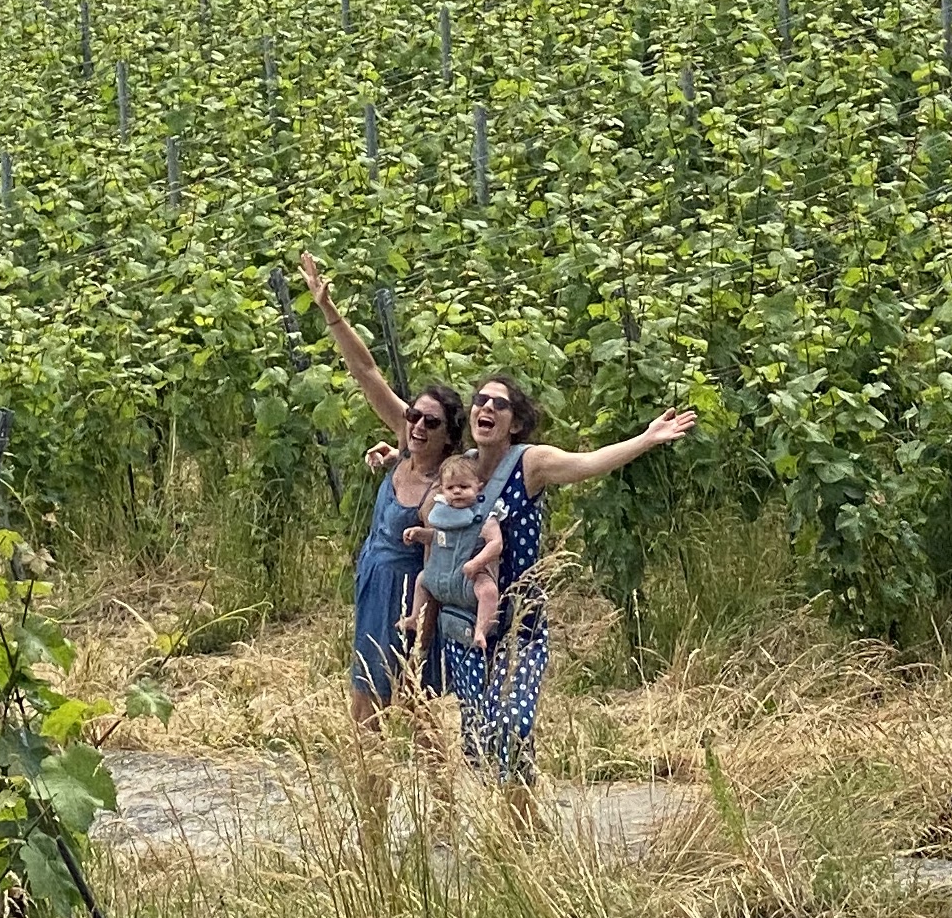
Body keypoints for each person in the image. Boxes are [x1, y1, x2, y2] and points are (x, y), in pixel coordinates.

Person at [451, 371, 698, 788]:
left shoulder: (531, 463)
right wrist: (392, 458)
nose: (486, 408)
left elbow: (589, 463)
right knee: (477, 741)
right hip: (469, 624)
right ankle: (508, 839)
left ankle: (521, 834)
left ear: (517, 423)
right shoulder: (462, 468)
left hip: (521, 623)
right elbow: (416, 448)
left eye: (500, 403)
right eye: (480, 400)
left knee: (512, 728)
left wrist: (646, 439)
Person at [296, 258, 463, 723]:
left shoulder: (439, 490)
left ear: (449, 435)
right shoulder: (406, 448)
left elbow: (433, 568)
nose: (418, 426)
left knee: (416, 709)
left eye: (431, 422)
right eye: (414, 416)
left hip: (406, 599)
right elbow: (366, 372)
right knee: (364, 707)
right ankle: (370, 797)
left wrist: (422, 631)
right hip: (373, 586)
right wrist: (328, 310)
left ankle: (446, 796)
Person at [405, 449, 505, 683]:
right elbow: (440, 538)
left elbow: (496, 544)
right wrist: (420, 534)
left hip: (472, 574)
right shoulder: (443, 513)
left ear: (478, 487)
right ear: (442, 490)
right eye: (451, 488)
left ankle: (481, 630)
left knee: (488, 591)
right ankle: (412, 617)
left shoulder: (484, 514)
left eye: (464, 486)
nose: (457, 492)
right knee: (421, 579)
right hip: (444, 575)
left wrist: (477, 562)